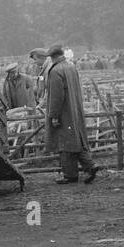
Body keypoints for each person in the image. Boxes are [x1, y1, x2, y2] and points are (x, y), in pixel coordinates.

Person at [45, 43, 98, 185]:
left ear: (53, 57)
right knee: (76, 140)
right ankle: (89, 166)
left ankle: (71, 175)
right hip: (74, 109)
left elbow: (56, 96)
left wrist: (54, 115)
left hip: (64, 112)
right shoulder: (71, 66)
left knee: (65, 142)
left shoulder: (55, 71)